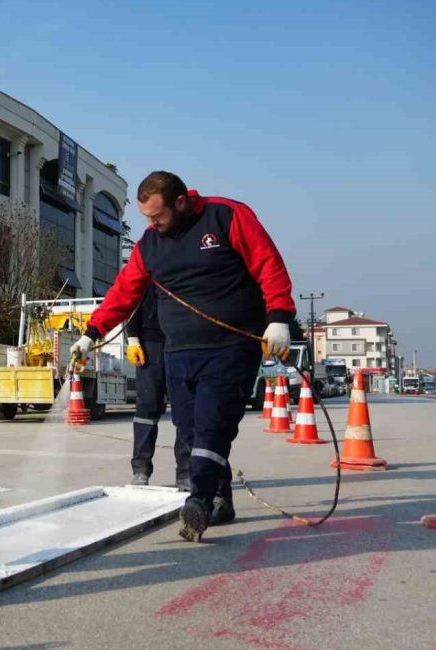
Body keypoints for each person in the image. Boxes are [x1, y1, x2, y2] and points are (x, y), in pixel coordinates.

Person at [72, 172, 294, 542]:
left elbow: (268, 264)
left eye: (156, 216)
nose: (151, 224)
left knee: (211, 425)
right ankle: (221, 496)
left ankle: (199, 502)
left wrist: (279, 319)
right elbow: (124, 292)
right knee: (190, 433)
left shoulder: (226, 216)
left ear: (180, 202)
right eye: (145, 218)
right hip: (178, 351)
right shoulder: (150, 245)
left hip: (230, 347)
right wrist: (90, 334)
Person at [125, 287, 189, 490]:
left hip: (181, 340)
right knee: (147, 406)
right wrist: (133, 337)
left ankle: (186, 472)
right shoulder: (148, 261)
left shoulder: (185, 264)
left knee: (184, 407)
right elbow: (132, 299)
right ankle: (141, 469)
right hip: (149, 342)